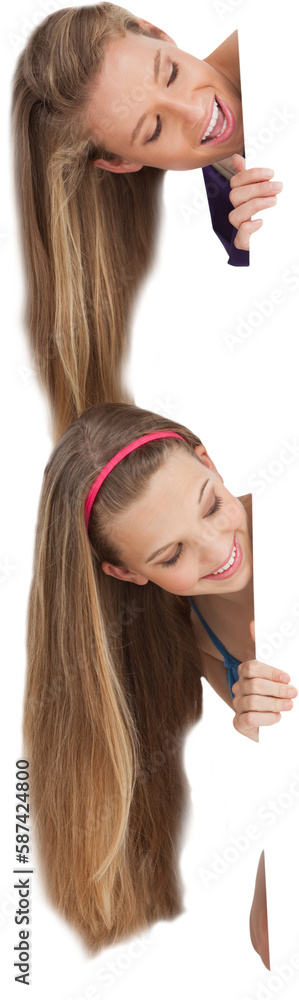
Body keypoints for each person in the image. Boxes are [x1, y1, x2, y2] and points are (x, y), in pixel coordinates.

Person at [24, 402, 297, 951]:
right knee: (271, 932)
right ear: (126, 572)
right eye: (172, 554)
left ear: (209, 461)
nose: (219, 549)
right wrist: (258, 731)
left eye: (212, 505)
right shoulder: (189, 635)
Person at [12, 4, 282, 441]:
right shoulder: (238, 220)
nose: (195, 112)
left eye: (171, 73)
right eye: (154, 128)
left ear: (157, 31)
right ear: (121, 162)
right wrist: (269, 257)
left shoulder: (280, 29)